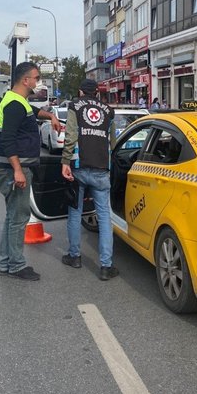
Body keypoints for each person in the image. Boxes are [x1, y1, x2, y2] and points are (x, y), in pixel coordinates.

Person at [0, 62, 61, 281]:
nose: (38, 81)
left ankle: (6, 262)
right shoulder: (14, 105)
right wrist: (18, 170)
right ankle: (16, 266)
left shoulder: (17, 101)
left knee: (13, 216)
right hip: (13, 169)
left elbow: (33, 111)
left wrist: (50, 116)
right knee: (18, 218)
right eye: (36, 77)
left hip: (13, 167)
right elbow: (8, 139)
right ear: (25, 80)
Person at [60, 79, 119, 280]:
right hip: (102, 168)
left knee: (75, 213)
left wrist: (65, 161)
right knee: (104, 216)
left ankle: (74, 256)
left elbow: (71, 135)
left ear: (80, 91)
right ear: (97, 92)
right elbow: (113, 142)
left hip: (79, 167)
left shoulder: (75, 106)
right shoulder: (108, 110)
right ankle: (105, 266)